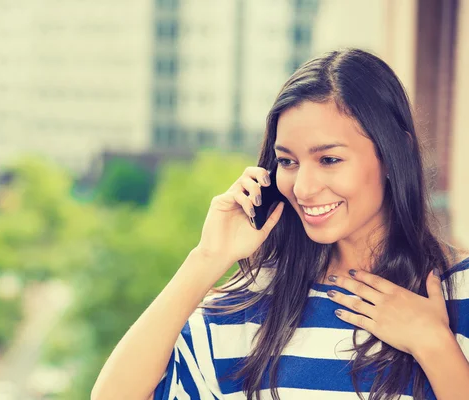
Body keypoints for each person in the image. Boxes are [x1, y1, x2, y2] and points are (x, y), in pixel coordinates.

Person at [91, 48, 469, 400]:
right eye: (287, 161)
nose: (302, 188)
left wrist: (433, 344)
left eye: (329, 160)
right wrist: (206, 258)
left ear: (393, 154)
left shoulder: (460, 294)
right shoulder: (245, 306)